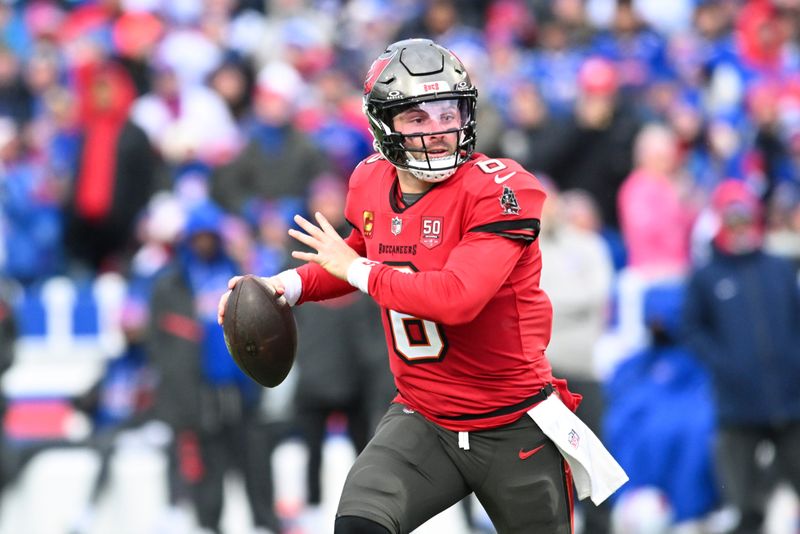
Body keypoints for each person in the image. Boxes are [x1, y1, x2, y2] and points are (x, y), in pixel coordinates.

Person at [218, 38, 627, 534]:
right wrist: (281, 286)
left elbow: (457, 298)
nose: (437, 130)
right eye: (416, 118)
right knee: (358, 526)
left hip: (513, 421)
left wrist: (356, 269)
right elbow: (359, 253)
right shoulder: (370, 180)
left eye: (447, 112)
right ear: (382, 126)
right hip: (423, 416)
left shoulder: (502, 189)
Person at [148, 201, 281, 534]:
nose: (204, 243)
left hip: (241, 389)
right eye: (198, 236)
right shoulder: (172, 283)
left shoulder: (236, 273)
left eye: (210, 236)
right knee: (207, 470)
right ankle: (209, 525)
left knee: (254, 463)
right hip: (199, 392)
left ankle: (264, 522)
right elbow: (159, 344)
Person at [681, 179, 800, 534]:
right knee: (745, 508)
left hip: (791, 400)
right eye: (731, 220)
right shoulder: (706, 277)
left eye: (744, 219)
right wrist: (724, 364)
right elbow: (691, 329)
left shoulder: (778, 269)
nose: (739, 228)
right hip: (737, 405)